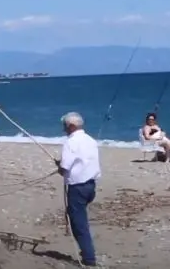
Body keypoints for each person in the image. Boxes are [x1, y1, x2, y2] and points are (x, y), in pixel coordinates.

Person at [54, 112, 100, 267]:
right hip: (91, 186)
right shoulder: (91, 140)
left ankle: (89, 258)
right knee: (79, 219)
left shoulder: (71, 142)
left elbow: (65, 167)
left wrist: (59, 167)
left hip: (78, 186)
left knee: (78, 223)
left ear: (71, 126)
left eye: (65, 127)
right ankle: (86, 253)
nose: (64, 130)